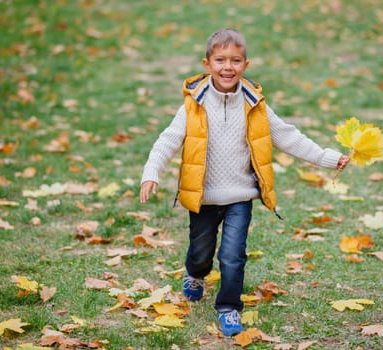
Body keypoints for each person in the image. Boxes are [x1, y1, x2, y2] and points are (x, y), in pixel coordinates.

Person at [140, 28, 349, 337]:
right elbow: (167, 141)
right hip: (203, 196)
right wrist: (151, 171)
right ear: (207, 63)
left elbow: (288, 136)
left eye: (236, 60)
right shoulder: (193, 105)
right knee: (201, 253)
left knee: (233, 255)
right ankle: (195, 274)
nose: (228, 67)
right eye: (221, 60)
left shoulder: (254, 105)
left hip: (239, 196)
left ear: (246, 65)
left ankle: (229, 307)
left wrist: (328, 158)